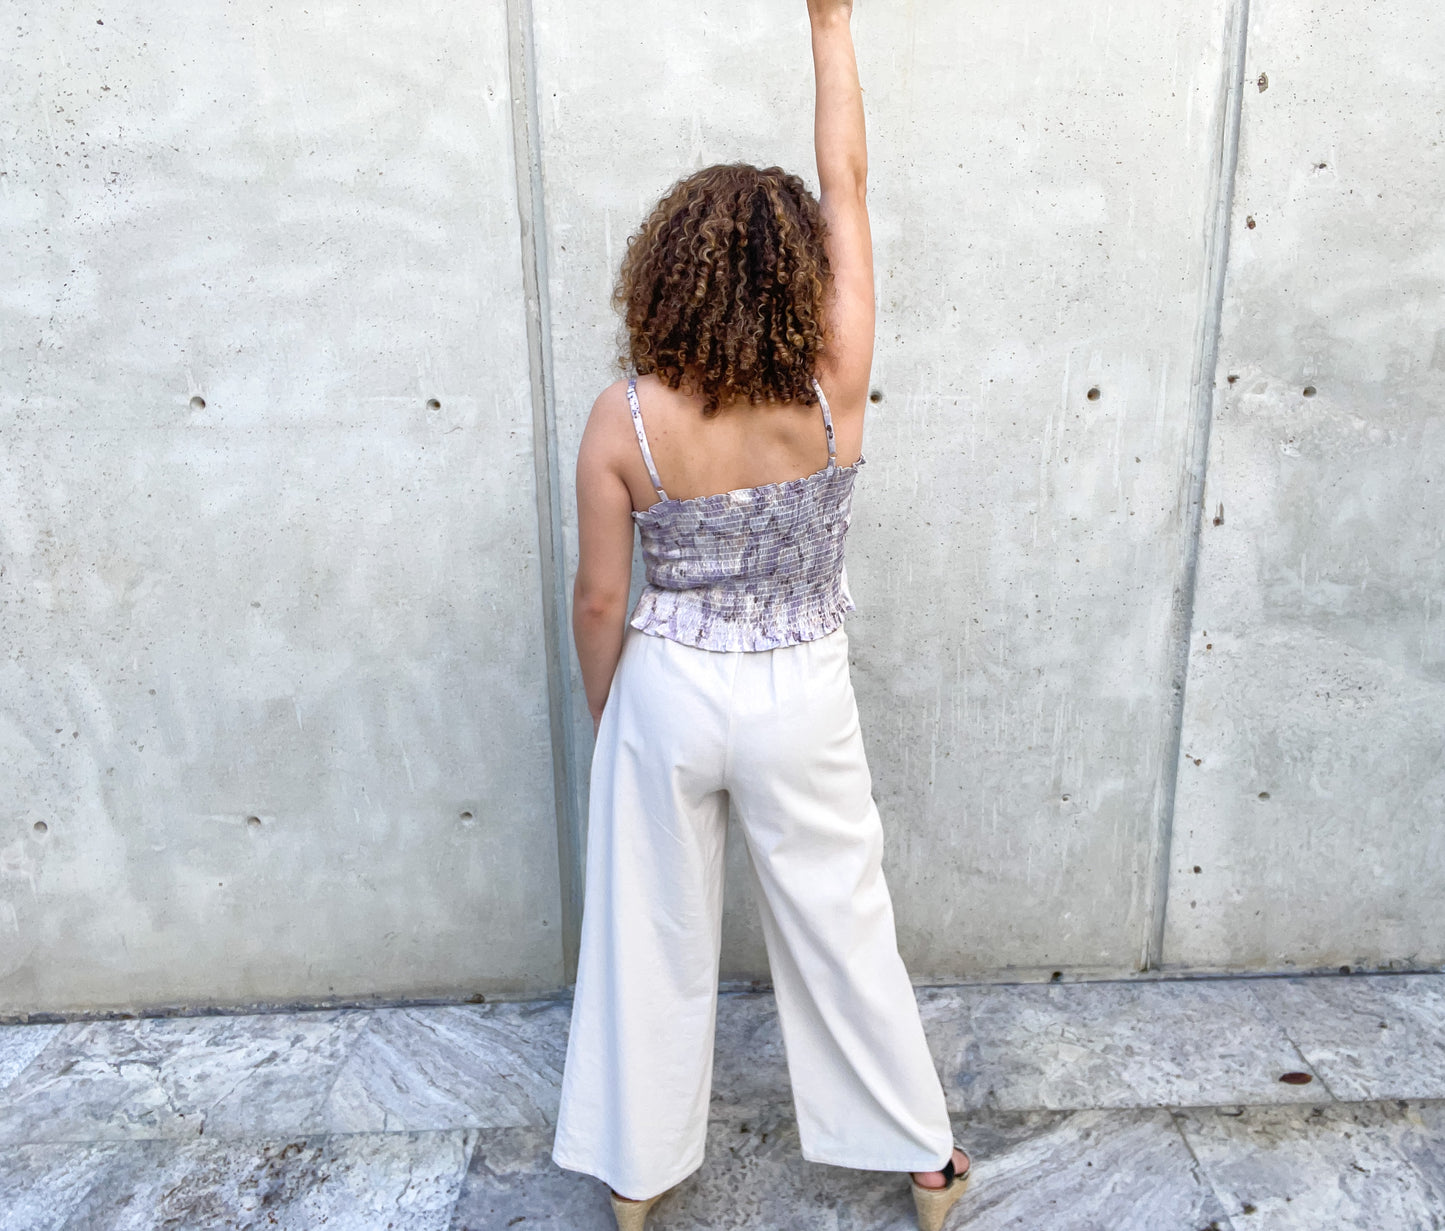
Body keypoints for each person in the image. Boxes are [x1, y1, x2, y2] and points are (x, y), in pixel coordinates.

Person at [549, 3, 970, 1228]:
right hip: (802, 690)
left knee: (647, 934)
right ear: (800, 272)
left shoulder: (620, 419)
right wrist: (830, 27)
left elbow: (596, 597)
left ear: (665, 271)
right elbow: (844, 171)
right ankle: (929, 1168)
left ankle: (636, 1180)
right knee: (844, 924)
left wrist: (612, 711)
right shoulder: (834, 383)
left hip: (667, 686)